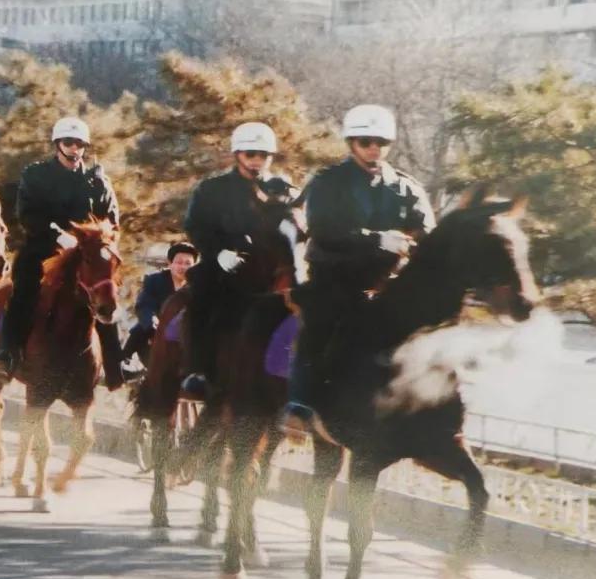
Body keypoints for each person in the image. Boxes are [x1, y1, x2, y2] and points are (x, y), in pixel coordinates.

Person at [282, 104, 434, 433]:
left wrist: (416, 246)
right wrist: (377, 239)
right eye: (366, 142)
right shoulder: (328, 182)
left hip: (387, 282)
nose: (374, 148)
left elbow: (426, 231)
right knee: (318, 328)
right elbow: (323, 229)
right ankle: (300, 403)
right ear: (352, 143)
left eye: (382, 142)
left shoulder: (407, 187)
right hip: (335, 278)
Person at [0, 117, 128, 389]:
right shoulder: (35, 174)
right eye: (69, 143)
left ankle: (116, 364)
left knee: (106, 291)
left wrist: (93, 240)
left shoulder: (98, 181)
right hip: (44, 248)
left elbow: (112, 221)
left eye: (79, 144)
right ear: (57, 144)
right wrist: (57, 235)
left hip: (87, 253)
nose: (75, 149)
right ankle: (8, 352)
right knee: (23, 290)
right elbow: (27, 214)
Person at [179, 122, 302, 399]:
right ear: (238, 155)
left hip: (275, 268)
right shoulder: (212, 189)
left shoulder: (286, 190)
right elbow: (195, 226)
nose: (257, 160)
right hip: (224, 266)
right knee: (201, 297)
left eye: (263, 155)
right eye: (251, 154)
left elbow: (298, 229)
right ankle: (197, 370)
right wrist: (218, 252)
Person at [120, 241, 198, 368]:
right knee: (141, 329)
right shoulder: (155, 280)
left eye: (188, 263)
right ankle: (126, 360)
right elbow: (144, 304)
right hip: (157, 328)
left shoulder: (198, 286)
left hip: (187, 331)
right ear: (170, 263)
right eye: (179, 262)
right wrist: (152, 320)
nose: (183, 267)